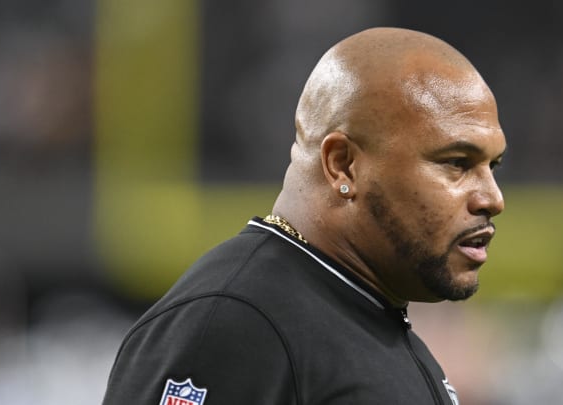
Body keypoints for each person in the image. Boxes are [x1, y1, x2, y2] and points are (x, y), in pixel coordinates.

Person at [103, 27, 505, 405]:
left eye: (493, 167)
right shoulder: (234, 323)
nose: (492, 198)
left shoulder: (361, 313)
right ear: (343, 165)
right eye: (457, 163)